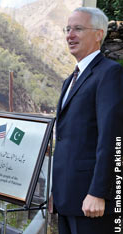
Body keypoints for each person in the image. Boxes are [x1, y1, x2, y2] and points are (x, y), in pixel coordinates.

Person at [52, 7, 123, 234]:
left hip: (91, 202)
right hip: (67, 199)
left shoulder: (110, 74)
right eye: (68, 29)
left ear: (99, 34)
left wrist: (98, 192)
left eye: (78, 29)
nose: (69, 35)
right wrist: (57, 191)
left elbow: (112, 137)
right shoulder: (69, 80)